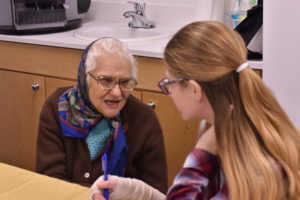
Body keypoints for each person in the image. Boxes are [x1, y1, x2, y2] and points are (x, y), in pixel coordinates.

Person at [89, 21, 300, 200]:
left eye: (168, 83)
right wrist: (136, 192)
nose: (168, 92)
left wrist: (202, 150)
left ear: (194, 89)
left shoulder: (247, 164)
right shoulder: (240, 128)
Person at [36, 37, 168, 193]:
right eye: (106, 80)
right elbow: (50, 182)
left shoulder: (144, 119)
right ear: (85, 78)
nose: (117, 93)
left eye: (125, 82)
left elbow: (155, 193)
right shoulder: (57, 108)